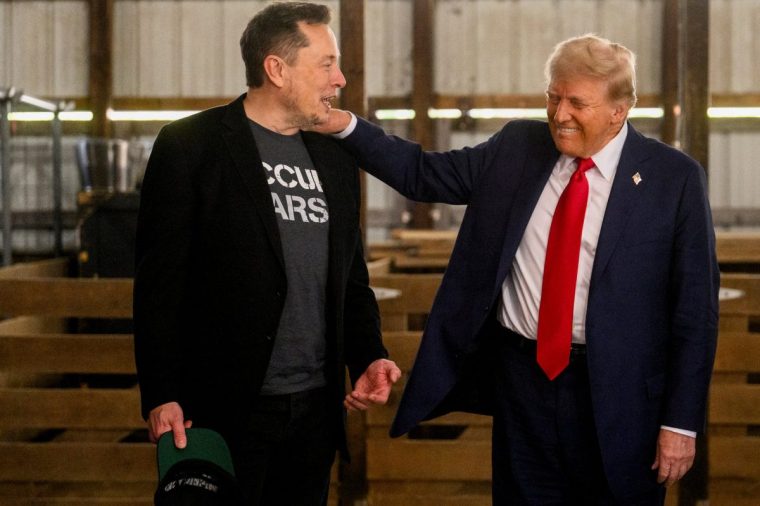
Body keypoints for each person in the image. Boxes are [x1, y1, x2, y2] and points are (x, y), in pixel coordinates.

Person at [314, 34, 719, 505]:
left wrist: (680, 423)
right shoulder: (518, 147)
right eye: (553, 97)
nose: (560, 114)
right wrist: (344, 125)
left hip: (623, 396)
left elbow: (695, 312)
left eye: (577, 103)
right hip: (523, 383)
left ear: (620, 109)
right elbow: (423, 174)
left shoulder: (674, 178)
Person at [133, 3, 401, 505]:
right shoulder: (191, 145)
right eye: (326, 64)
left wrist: (369, 354)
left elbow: (351, 277)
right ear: (276, 69)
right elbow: (158, 281)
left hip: (316, 409)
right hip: (219, 407)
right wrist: (160, 392)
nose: (339, 79)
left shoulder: (335, 156)